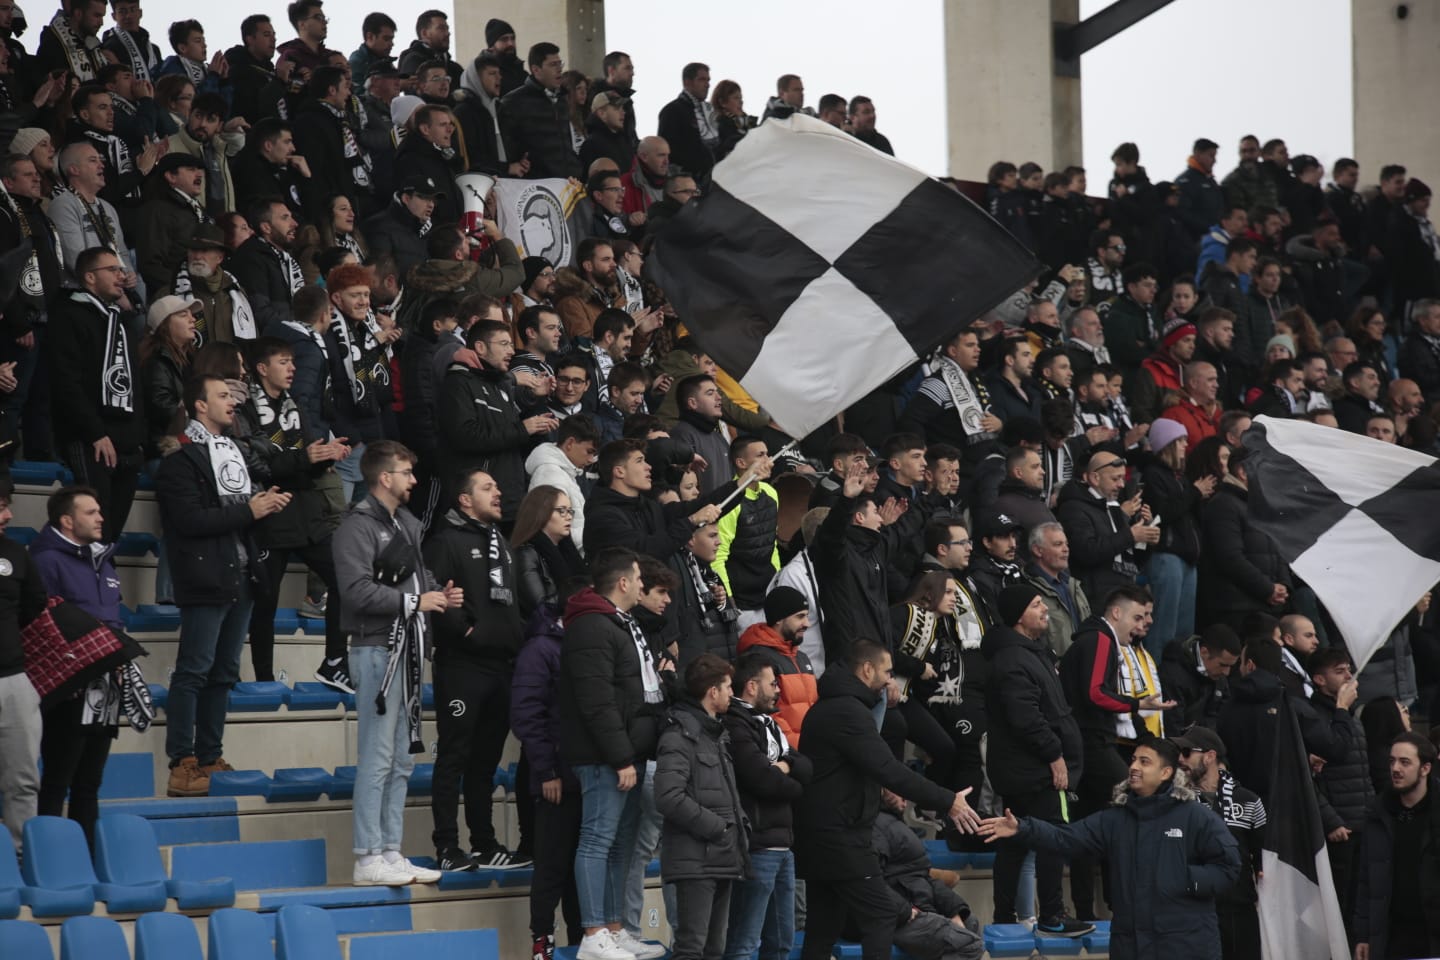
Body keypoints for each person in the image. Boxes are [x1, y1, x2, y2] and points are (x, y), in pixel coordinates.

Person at [795, 638, 979, 960]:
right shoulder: (847, 711)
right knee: (879, 915)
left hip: (824, 835)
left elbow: (856, 770)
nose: (890, 680)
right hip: (840, 838)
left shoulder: (835, 706)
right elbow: (889, 769)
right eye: (887, 672)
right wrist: (947, 799)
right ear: (867, 669)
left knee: (824, 926)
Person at [980, 737, 1240, 956]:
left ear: (1166, 773)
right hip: (1130, 946)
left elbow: (1229, 866)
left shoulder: (1195, 816)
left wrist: (1186, 879)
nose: (1134, 767)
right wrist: (1022, 828)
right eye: (1134, 760)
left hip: (1185, 946)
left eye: (1144, 762)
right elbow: (1065, 838)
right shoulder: (1116, 818)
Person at [158, 376, 289, 797]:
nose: (233, 402)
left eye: (235, 396)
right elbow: (190, 522)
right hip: (205, 576)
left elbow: (240, 514)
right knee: (194, 671)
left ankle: (211, 756)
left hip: (241, 574)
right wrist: (250, 511)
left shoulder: (236, 454)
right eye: (222, 396)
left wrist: (264, 506)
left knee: (224, 674)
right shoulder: (180, 463)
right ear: (199, 405)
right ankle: (183, 762)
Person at [332, 440, 453, 886]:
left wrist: (439, 594)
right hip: (377, 648)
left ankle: (390, 849)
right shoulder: (356, 527)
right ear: (385, 477)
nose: (414, 480)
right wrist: (417, 600)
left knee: (403, 758)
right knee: (378, 757)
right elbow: (356, 592)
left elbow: (420, 580)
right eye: (406, 472)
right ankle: (366, 856)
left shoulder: (407, 523)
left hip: (411, 649)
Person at [559, 548, 671, 960]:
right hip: (605, 757)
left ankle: (613, 926)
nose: (644, 585)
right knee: (596, 840)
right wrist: (620, 757)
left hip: (629, 754)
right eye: (639, 578)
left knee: (621, 845)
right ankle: (592, 934)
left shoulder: (621, 623)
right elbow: (597, 702)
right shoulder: (590, 626)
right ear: (623, 582)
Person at [423, 469, 527, 870]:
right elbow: (437, 598)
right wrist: (466, 630)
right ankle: (447, 847)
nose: (498, 491)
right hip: (463, 665)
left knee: (487, 761)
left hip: (502, 664)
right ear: (464, 500)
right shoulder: (445, 541)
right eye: (488, 487)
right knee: (454, 757)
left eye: (497, 485)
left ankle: (484, 843)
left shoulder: (502, 539)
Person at [234, 338, 351, 688]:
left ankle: (334, 661)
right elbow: (261, 467)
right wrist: (306, 459)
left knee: (345, 579)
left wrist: (325, 457)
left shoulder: (294, 405)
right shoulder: (245, 409)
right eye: (283, 361)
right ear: (262, 368)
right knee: (265, 603)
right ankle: (264, 679)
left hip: (306, 512)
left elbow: (301, 461)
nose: (292, 368)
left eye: (292, 362)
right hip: (270, 515)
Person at [980, 583, 1090, 935]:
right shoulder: (1015, 658)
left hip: (1022, 767)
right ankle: (1053, 916)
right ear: (1017, 616)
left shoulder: (1027, 652)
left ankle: (1005, 918)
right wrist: (1054, 755)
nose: (1045, 609)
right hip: (1035, 768)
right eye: (1036, 604)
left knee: (1015, 841)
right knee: (1052, 838)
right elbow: (1026, 717)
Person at [29, 486, 125, 847]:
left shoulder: (105, 559)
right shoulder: (46, 561)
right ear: (66, 520)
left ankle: (84, 857)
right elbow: (43, 622)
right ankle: (47, 855)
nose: (100, 517)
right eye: (90, 512)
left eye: (100, 511)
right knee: (58, 777)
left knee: (90, 781)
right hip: (69, 684)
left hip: (106, 684)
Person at [653, 654, 747, 960]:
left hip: (721, 855)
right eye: (729, 687)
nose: (733, 694)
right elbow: (668, 796)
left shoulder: (715, 735)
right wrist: (717, 828)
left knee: (714, 949)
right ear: (713, 691)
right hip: (696, 859)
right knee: (692, 948)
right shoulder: (679, 734)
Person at [50, 247, 146, 543]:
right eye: (113, 270)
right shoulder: (70, 316)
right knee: (93, 531)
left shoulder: (119, 319)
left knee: (112, 533)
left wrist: (138, 439)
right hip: (93, 439)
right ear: (90, 277)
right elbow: (67, 382)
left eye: (121, 270)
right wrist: (95, 432)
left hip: (127, 441)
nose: (122, 277)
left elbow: (132, 383)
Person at [512, 572, 585, 960]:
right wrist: (547, 772)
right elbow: (526, 714)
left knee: (580, 873)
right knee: (552, 867)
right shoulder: (541, 648)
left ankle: (580, 941)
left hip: (585, 778)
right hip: (555, 778)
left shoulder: (583, 642)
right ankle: (542, 942)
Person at [720, 653, 810, 960]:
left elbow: (807, 767)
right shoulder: (734, 722)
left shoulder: (771, 723)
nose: (778, 691)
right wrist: (788, 774)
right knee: (745, 944)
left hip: (784, 844)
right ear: (751, 686)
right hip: (757, 846)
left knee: (782, 942)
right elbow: (761, 780)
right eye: (773, 684)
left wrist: (782, 768)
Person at [1173, 726, 1267, 960]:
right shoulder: (1174, 803)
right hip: (1191, 910)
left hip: (1239, 910)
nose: (1180, 759)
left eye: (1186, 752)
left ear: (1210, 756)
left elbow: (1264, 855)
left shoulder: (1249, 800)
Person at [1354, 732, 1440, 960]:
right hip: (1391, 939)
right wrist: (1363, 936)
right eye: (1392, 761)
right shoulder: (1378, 814)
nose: (1395, 768)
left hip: (1432, 938)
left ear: (1426, 768)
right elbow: (1364, 881)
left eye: (1405, 762)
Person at [1306, 648, 1372, 933]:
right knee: (1338, 907)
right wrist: (1331, 820)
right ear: (1319, 679)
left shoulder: (1350, 716)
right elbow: (1309, 777)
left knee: (1360, 902)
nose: (1348, 676)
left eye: (1349, 670)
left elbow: (1360, 769)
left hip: (1362, 822)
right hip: (1339, 827)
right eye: (1339, 671)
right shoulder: (1313, 715)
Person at [0, 474, 47, 851]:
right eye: (1, 506)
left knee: (23, 776)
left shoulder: (16, 554)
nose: (9, 514)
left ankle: (18, 855)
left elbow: (34, 605)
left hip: (14, 678)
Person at [1140, 417, 1213, 657]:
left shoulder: (1177, 477)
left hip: (1186, 559)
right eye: (1180, 440)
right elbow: (1162, 513)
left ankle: (1179, 679)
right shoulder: (1153, 474)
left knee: (1184, 632)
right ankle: (1159, 680)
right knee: (1163, 628)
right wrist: (1194, 492)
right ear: (1167, 444)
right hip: (1166, 557)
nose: (1185, 445)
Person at [1197, 446, 1291, 629]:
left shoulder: (1260, 507)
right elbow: (1230, 557)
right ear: (1243, 472)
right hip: (1236, 609)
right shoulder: (1223, 504)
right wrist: (1267, 588)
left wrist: (1283, 585)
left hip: (1265, 606)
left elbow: (1278, 551)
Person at [1056, 450, 1158, 603]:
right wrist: (1131, 535)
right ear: (1095, 478)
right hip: (1095, 598)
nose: (1121, 485)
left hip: (1123, 593)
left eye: (1122, 478)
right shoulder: (1074, 508)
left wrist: (1146, 540)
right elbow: (1087, 551)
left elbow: (1133, 560)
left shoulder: (1114, 507)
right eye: (1115, 479)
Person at [500, 42, 579, 180]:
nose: (559, 69)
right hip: (535, 187)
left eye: (560, 63)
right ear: (536, 70)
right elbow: (508, 147)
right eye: (553, 65)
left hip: (566, 183)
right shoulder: (514, 102)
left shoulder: (561, 99)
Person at [1025, 521, 1091, 658]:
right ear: (1038, 550)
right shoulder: (1027, 587)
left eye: (1066, 544)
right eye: (1058, 544)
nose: (1066, 549)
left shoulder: (1073, 585)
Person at [1159, 624, 1241, 729]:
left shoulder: (1218, 676)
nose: (1227, 672)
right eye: (1223, 665)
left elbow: (1223, 719)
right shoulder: (1172, 676)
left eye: (1231, 666)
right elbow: (1173, 727)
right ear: (1204, 652)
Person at [657, 62, 717, 185]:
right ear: (687, 82)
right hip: (686, 184)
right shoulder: (673, 111)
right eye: (701, 79)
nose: (707, 85)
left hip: (709, 182)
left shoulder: (710, 112)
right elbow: (667, 150)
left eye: (708, 80)